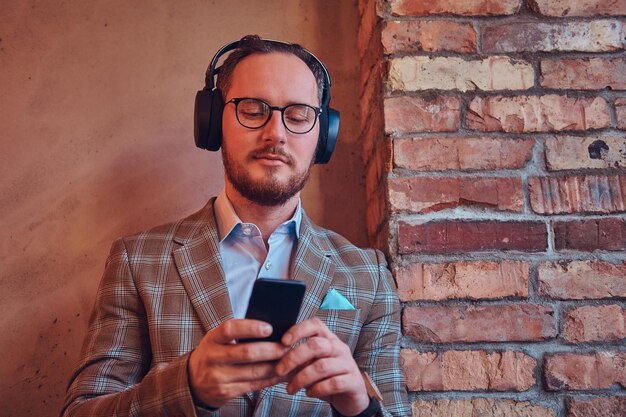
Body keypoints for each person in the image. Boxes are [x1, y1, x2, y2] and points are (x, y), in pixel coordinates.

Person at [61, 35, 410, 417]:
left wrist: (361, 408)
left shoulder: (369, 276)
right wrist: (187, 385)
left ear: (322, 136)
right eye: (253, 109)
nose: (276, 132)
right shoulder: (137, 260)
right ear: (213, 122)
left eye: (297, 115)